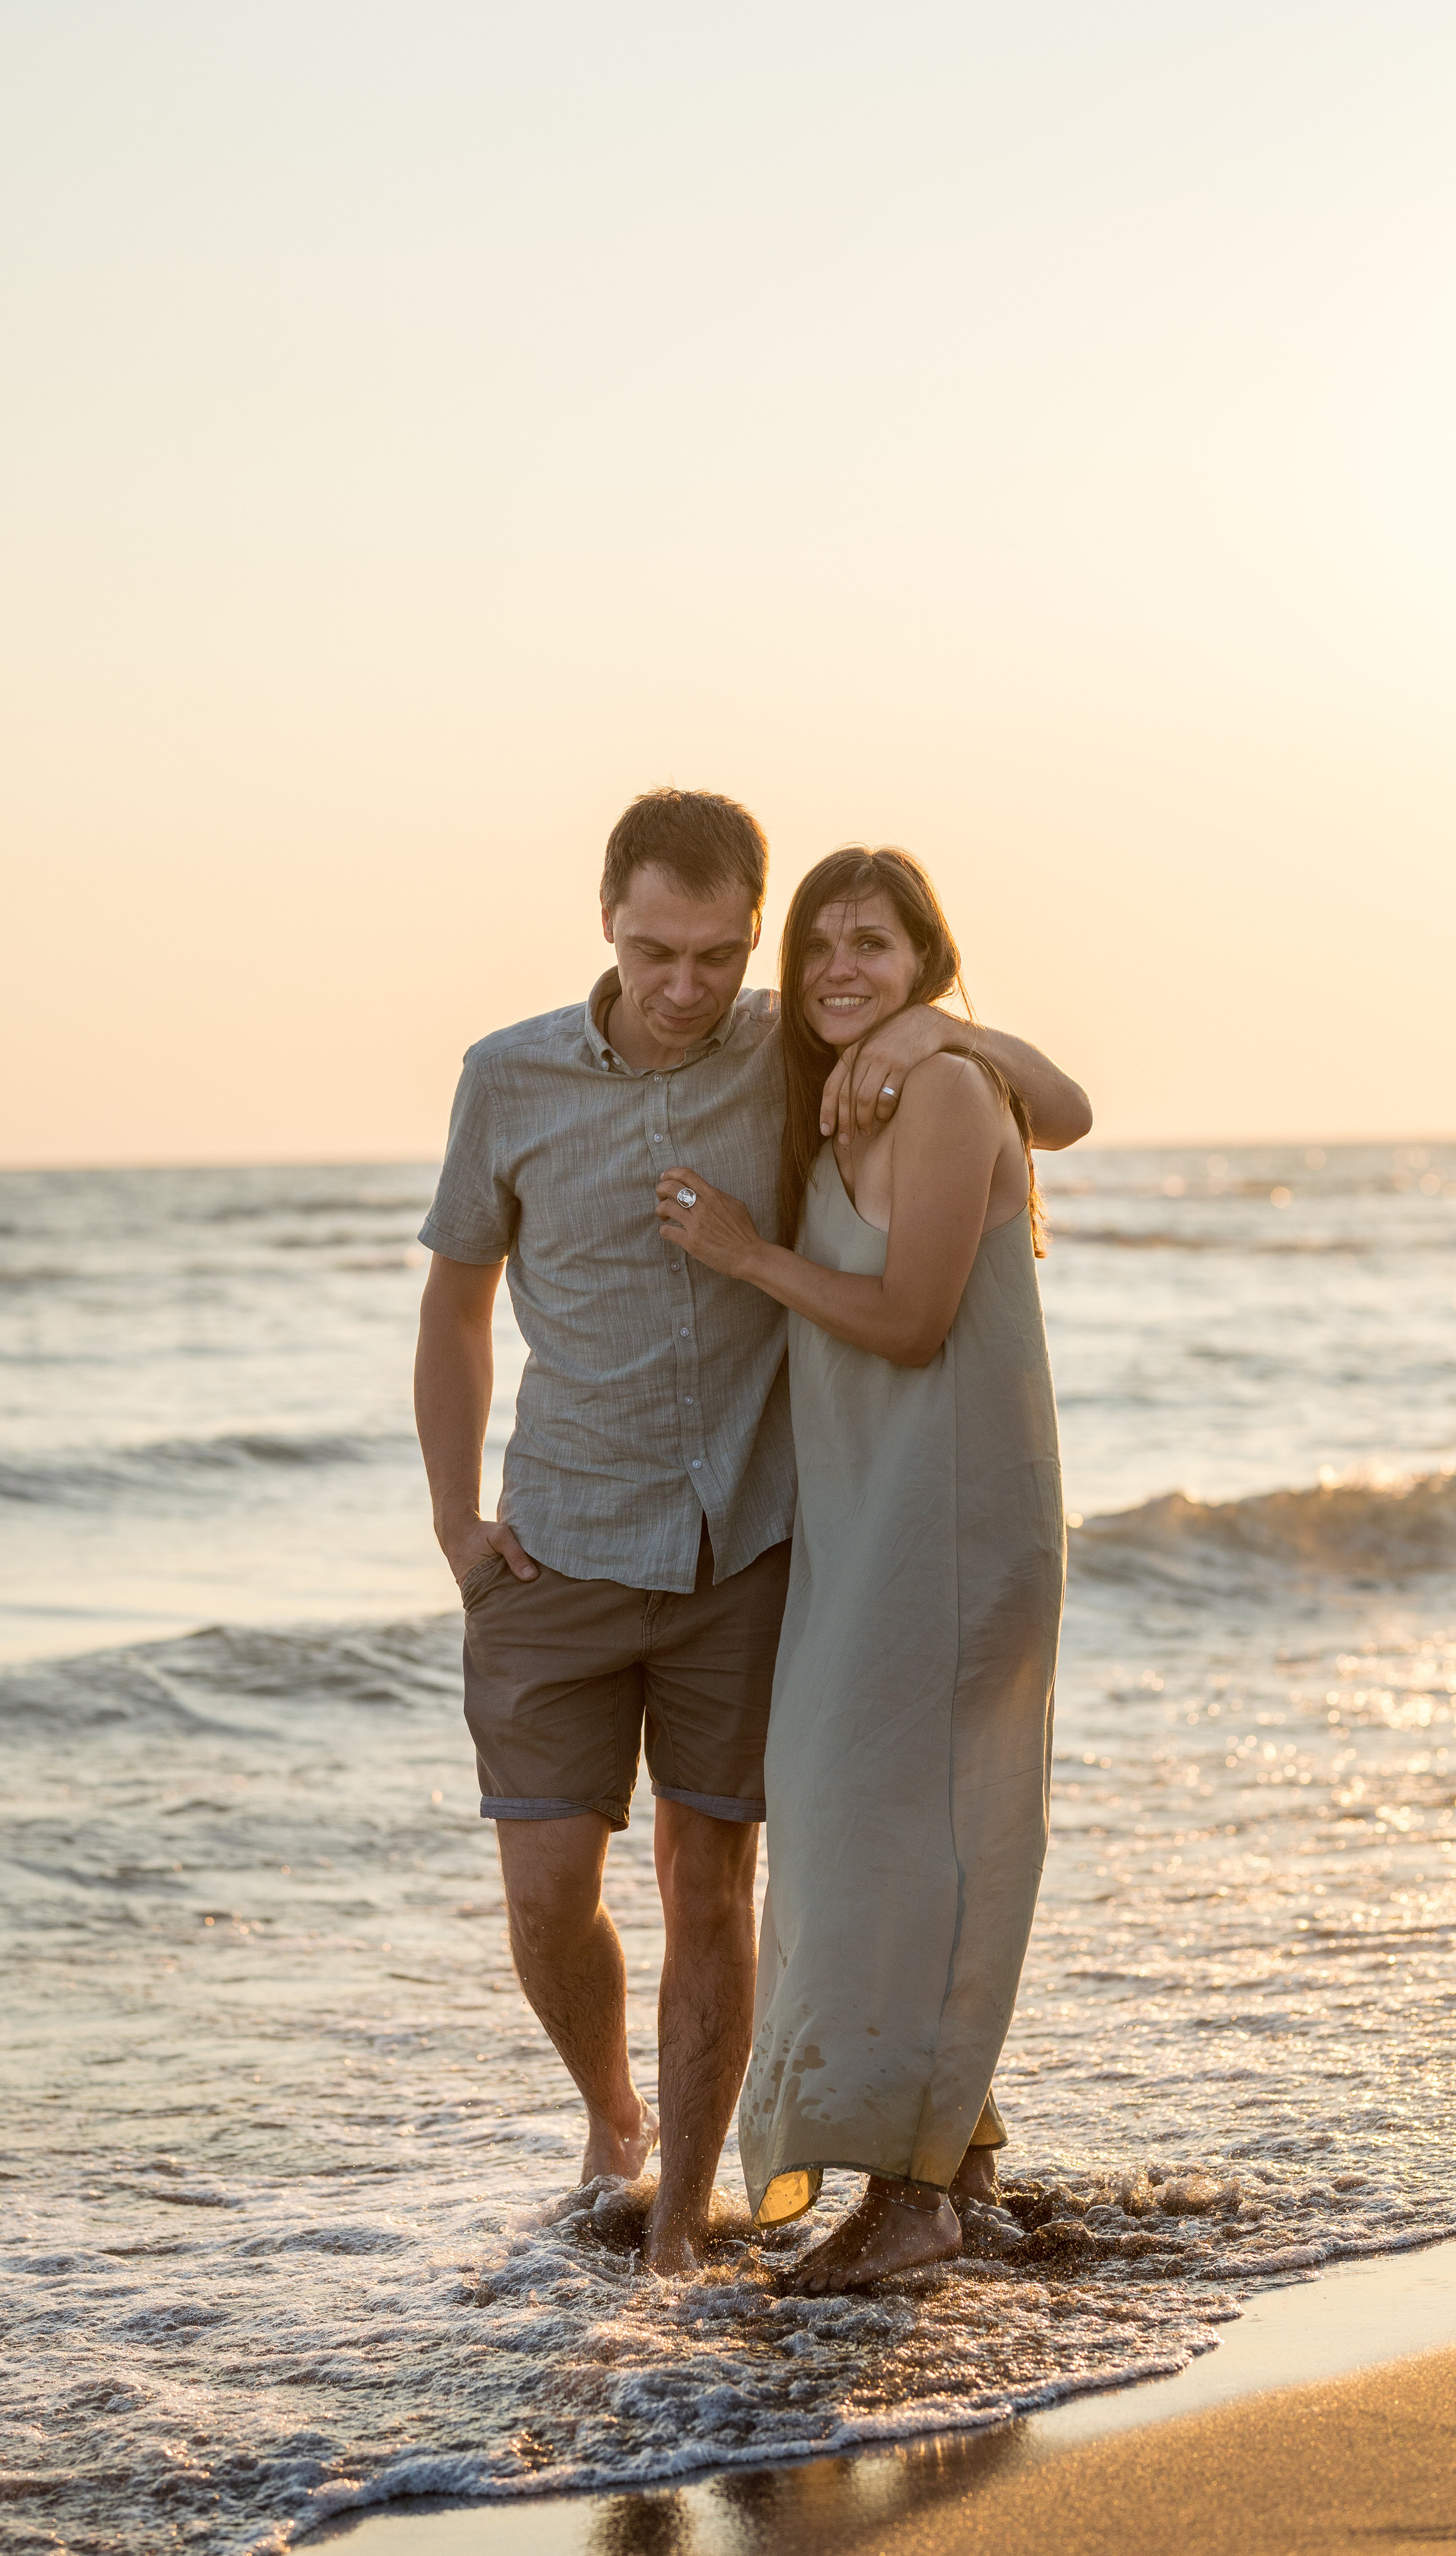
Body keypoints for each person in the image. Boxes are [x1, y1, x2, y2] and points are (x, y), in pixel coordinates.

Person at [415, 793, 1088, 2274]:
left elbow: (1056, 1106)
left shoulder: (799, 1046)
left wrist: (937, 1027)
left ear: (748, 939)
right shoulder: (507, 1077)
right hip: (562, 1538)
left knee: (721, 1891)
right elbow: (455, 1303)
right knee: (547, 1897)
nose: (685, 986)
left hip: (748, 1550)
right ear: (607, 918)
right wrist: (455, 1519)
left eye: (718, 955)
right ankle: (618, 2119)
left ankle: (682, 2232)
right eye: (656, 951)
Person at [655, 845, 1067, 2290]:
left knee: (897, 1844)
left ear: (923, 961)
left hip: (947, 1528)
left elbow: (909, 1321)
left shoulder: (941, 1086)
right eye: (820, 944)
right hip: (867, 1520)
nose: (841, 967)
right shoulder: (847, 1088)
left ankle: (914, 2195)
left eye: (874, 945)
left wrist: (746, 1255)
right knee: (868, 1838)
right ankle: (959, 2155)